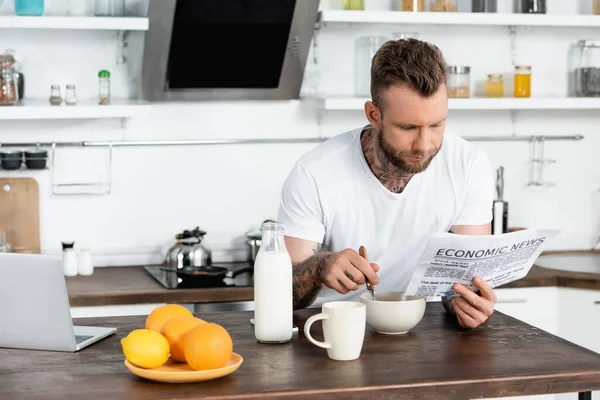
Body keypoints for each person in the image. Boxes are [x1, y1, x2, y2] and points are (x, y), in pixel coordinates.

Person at [277, 38, 497, 329]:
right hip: (332, 332)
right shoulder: (315, 172)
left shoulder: (469, 164)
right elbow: (281, 294)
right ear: (373, 115)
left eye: (436, 125)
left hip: (425, 334)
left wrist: (463, 303)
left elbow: (465, 277)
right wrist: (320, 267)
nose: (424, 144)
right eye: (407, 127)